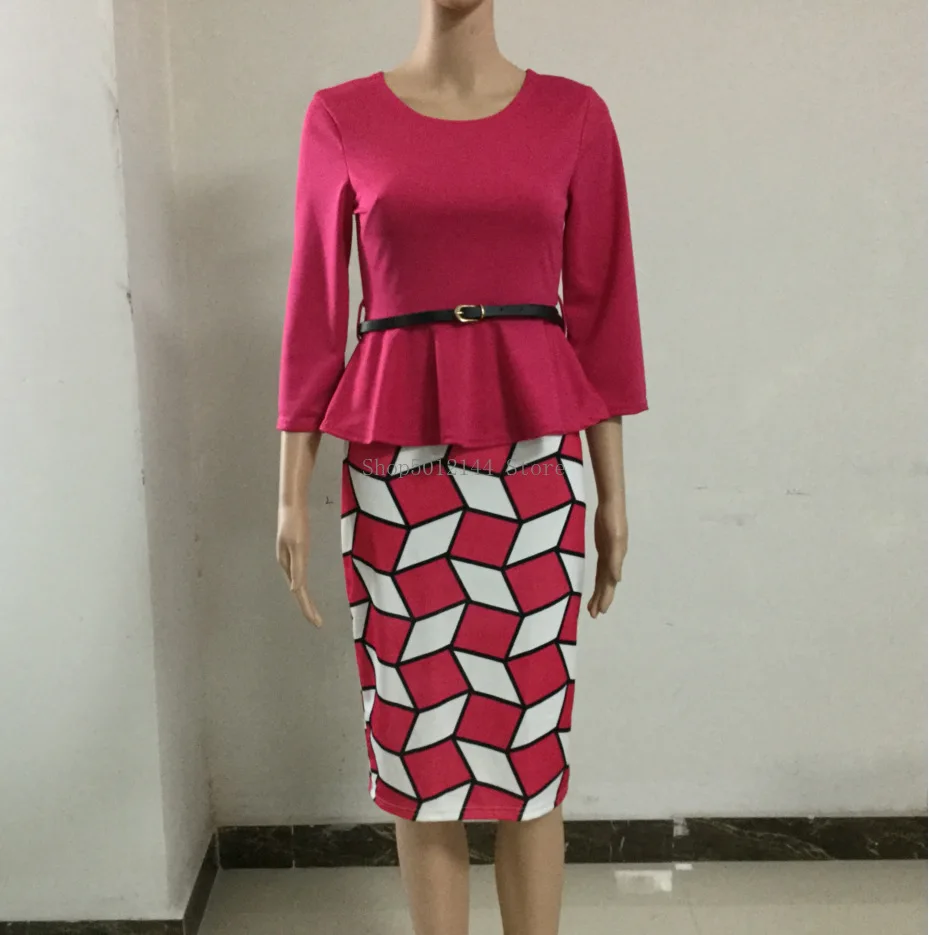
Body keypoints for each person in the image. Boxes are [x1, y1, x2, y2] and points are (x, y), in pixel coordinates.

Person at [276, 2, 647, 932]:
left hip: (536, 464)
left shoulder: (573, 116)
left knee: (529, 743)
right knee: (418, 746)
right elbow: (317, 310)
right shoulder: (341, 117)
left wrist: (613, 492)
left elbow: (600, 311)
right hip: (394, 467)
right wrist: (289, 493)